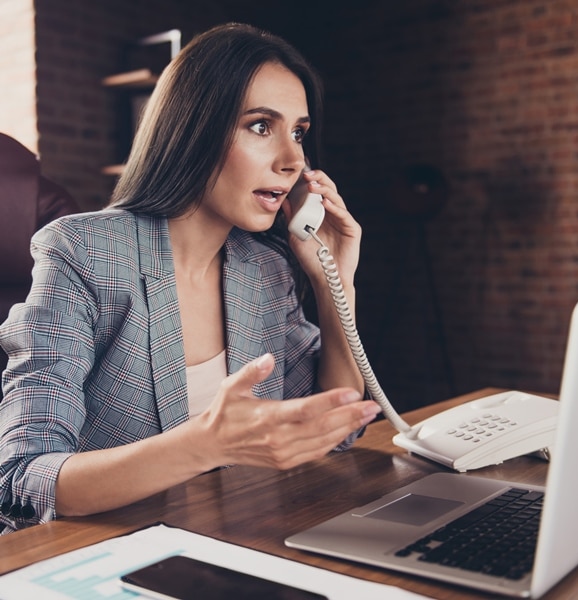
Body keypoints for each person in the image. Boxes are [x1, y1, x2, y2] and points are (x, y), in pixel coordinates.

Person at [0, 22, 381, 534]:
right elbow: (22, 480)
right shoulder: (83, 252)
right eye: (261, 126)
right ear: (193, 128)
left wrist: (334, 281)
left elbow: (332, 432)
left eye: (299, 133)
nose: (293, 161)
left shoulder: (264, 270)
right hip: (104, 559)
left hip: (227, 538)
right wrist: (206, 444)